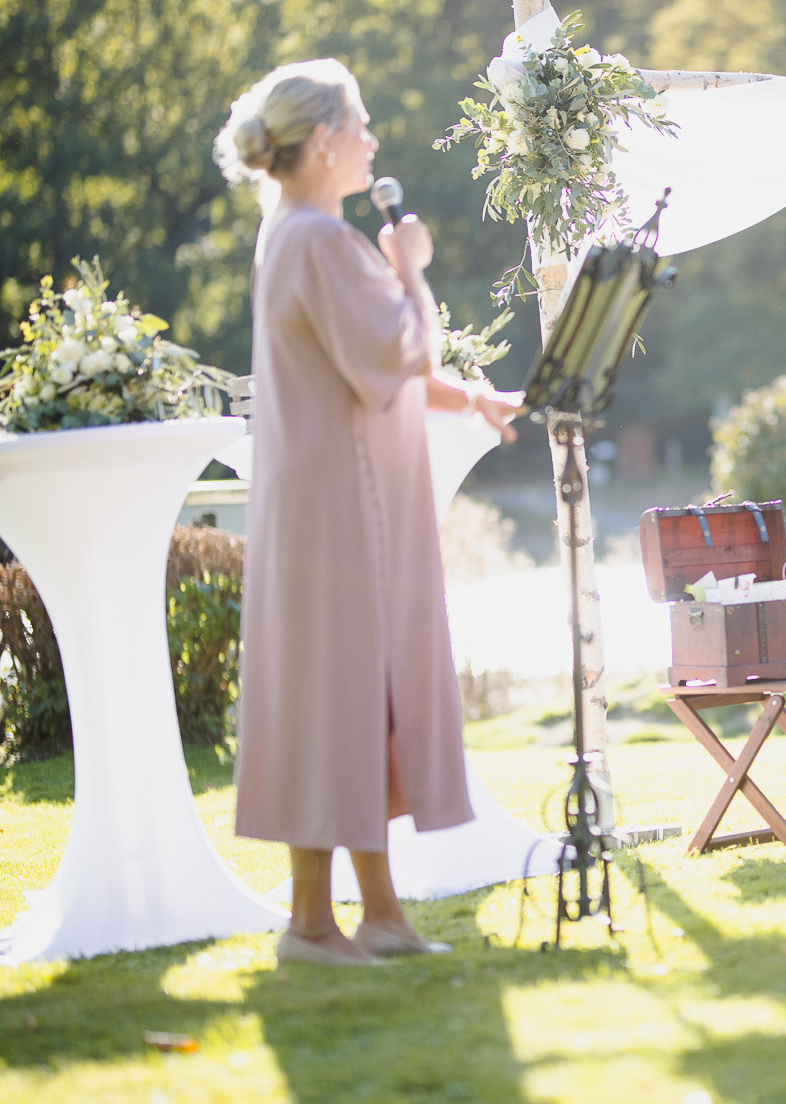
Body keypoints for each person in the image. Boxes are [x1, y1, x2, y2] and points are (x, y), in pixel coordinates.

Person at [214, 59, 524, 965]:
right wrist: (410, 271)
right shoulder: (319, 240)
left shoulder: (291, 234)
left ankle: (379, 914)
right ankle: (311, 924)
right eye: (361, 125)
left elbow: (368, 368)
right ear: (323, 142)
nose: (372, 140)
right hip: (343, 507)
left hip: (329, 500)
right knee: (339, 696)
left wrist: (470, 397)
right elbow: (391, 355)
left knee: (358, 698)